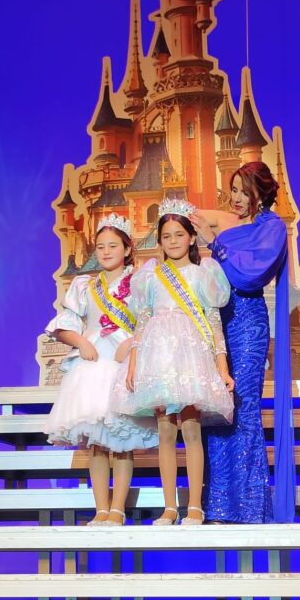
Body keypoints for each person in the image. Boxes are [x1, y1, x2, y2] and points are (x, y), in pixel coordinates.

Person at [112, 198, 234, 526]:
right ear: (159, 241)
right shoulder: (150, 277)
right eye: (166, 236)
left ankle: (194, 505)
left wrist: (222, 367)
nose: (173, 241)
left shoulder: (202, 273)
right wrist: (134, 363)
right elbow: (142, 322)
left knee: (191, 429)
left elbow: (213, 322)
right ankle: (169, 507)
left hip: (191, 356)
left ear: (192, 237)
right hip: (158, 357)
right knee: (165, 431)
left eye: (179, 234)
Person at [192, 161, 291, 523]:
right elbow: (189, 218)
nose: (235, 198)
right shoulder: (228, 222)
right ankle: (218, 503)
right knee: (216, 406)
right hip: (215, 320)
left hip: (247, 322)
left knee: (243, 406)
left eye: (243, 191)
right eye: (232, 190)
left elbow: (251, 275)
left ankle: (248, 506)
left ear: (259, 193)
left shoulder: (272, 228)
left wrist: (215, 244)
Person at [43, 215, 158, 525]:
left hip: (123, 363)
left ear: (127, 248)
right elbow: (63, 325)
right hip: (92, 365)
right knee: (96, 444)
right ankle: (101, 508)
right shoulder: (85, 285)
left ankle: (118, 508)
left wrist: (133, 342)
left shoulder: (140, 282)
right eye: (101, 246)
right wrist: (81, 341)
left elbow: (154, 320)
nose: (106, 252)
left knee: (121, 443)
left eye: (113, 246)